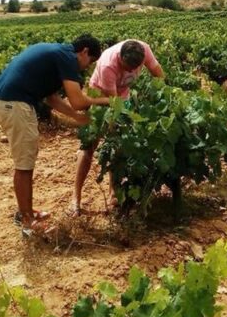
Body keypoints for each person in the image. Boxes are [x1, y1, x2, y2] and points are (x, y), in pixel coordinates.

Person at [0, 34, 110, 236]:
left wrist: (76, 117)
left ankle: (26, 211)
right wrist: (107, 101)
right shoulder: (67, 58)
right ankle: (27, 222)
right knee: (24, 163)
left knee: (27, 157)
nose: (87, 67)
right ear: (85, 52)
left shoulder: (58, 54)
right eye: (90, 62)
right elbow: (79, 101)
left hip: (10, 101)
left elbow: (51, 99)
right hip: (15, 103)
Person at [71, 39, 165, 215]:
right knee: (89, 147)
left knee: (119, 144)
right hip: (101, 98)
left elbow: (158, 75)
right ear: (120, 57)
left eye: (134, 68)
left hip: (123, 99)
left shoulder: (145, 49)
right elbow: (114, 105)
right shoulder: (108, 64)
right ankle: (75, 198)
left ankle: (113, 192)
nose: (130, 71)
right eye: (126, 67)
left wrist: (164, 96)